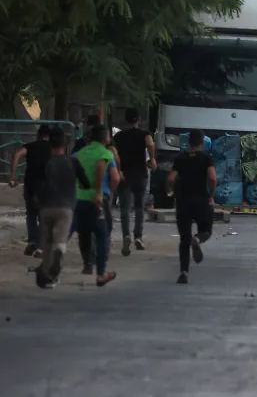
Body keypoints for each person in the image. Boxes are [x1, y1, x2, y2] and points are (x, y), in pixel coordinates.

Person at [34, 126, 91, 289]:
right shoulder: (72, 162)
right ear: (65, 144)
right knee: (59, 241)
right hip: (66, 208)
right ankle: (57, 256)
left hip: (45, 207)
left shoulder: (45, 163)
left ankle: (47, 276)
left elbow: (35, 184)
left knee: (46, 242)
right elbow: (85, 183)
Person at [166, 129, 216, 284]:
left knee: (184, 238)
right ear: (202, 142)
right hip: (201, 200)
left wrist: (170, 191)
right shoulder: (207, 158)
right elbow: (212, 178)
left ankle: (183, 273)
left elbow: (171, 178)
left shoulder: (180, 158)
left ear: (188, 142)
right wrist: (211, 195)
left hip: (183, 202)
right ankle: (198, 239)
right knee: (206, 230)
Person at [74, 124, 119, 286]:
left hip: (79, 198)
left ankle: (87, 262)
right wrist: (107, 191)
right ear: (106, 138)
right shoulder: (106, 153)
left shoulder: (79, 153)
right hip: (98, 200)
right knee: (102, 234)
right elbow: (114, 177)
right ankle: (101, 273)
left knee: (83, 232)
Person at [114, 108, 156, 254]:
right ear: (138, 120)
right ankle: (138, 236)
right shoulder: (144, 134)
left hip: (124, 175)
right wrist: (152, 158)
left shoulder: (118, 136)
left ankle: (126, 235)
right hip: (140, 174)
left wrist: (118, 170)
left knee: (124, 208)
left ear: (125, 120)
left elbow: (114, 154)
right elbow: (150, 143)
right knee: (139, 206)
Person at [10, 124, 52, 257]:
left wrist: (13, 176)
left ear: (38, 135)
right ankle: (41, 248)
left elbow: (17, 155)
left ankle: (32, 241)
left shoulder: (30, 146)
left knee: (31, 214)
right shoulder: (52, 148)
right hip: (46, 186)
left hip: (30, 186)